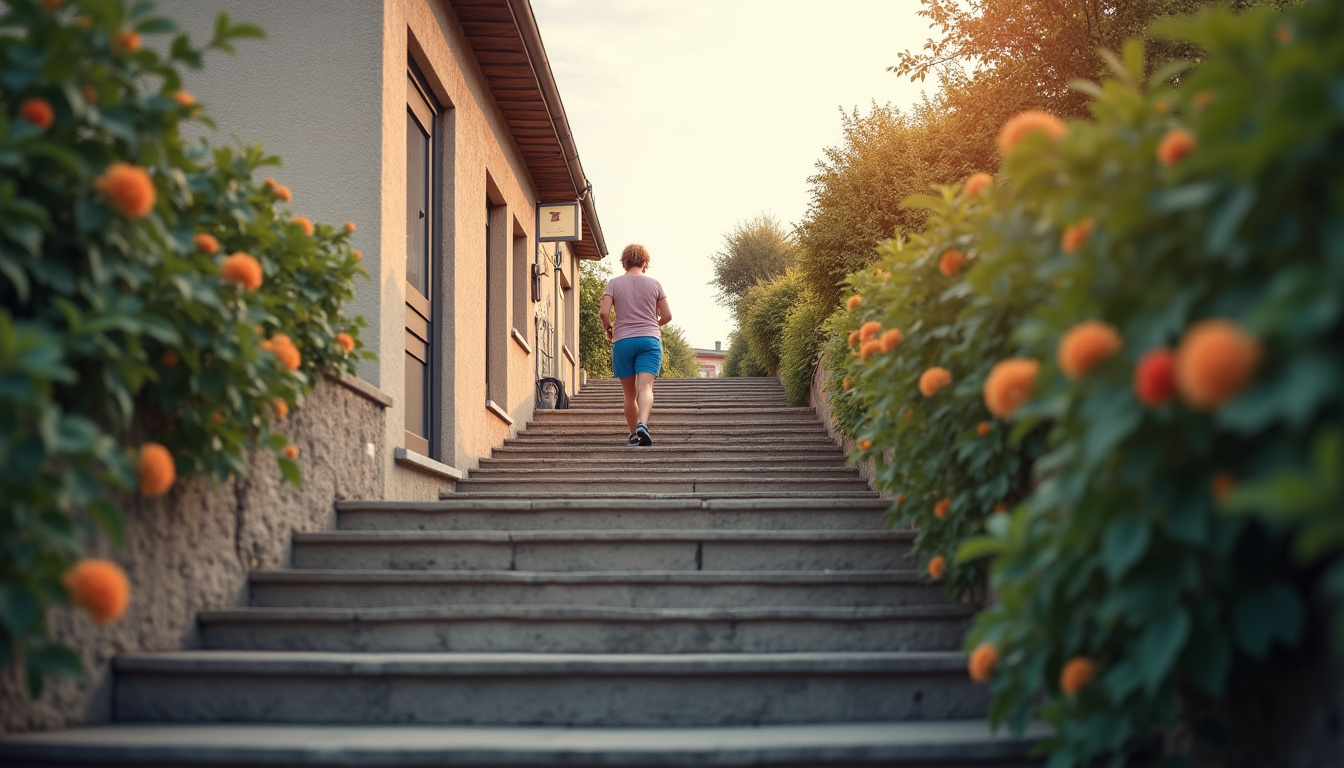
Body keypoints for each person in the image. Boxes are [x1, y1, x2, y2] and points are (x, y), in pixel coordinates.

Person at [599, 244, 671, 446]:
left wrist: (609, 329)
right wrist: (652, 324)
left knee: (629, 395)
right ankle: (643, 424)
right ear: (645, 263)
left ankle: (633, 436)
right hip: (650, 340)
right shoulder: (655, 284)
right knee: (645, 387)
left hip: (623, 341)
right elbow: (667, 316)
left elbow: (604, 313)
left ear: (624, 262)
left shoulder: (614, 283)